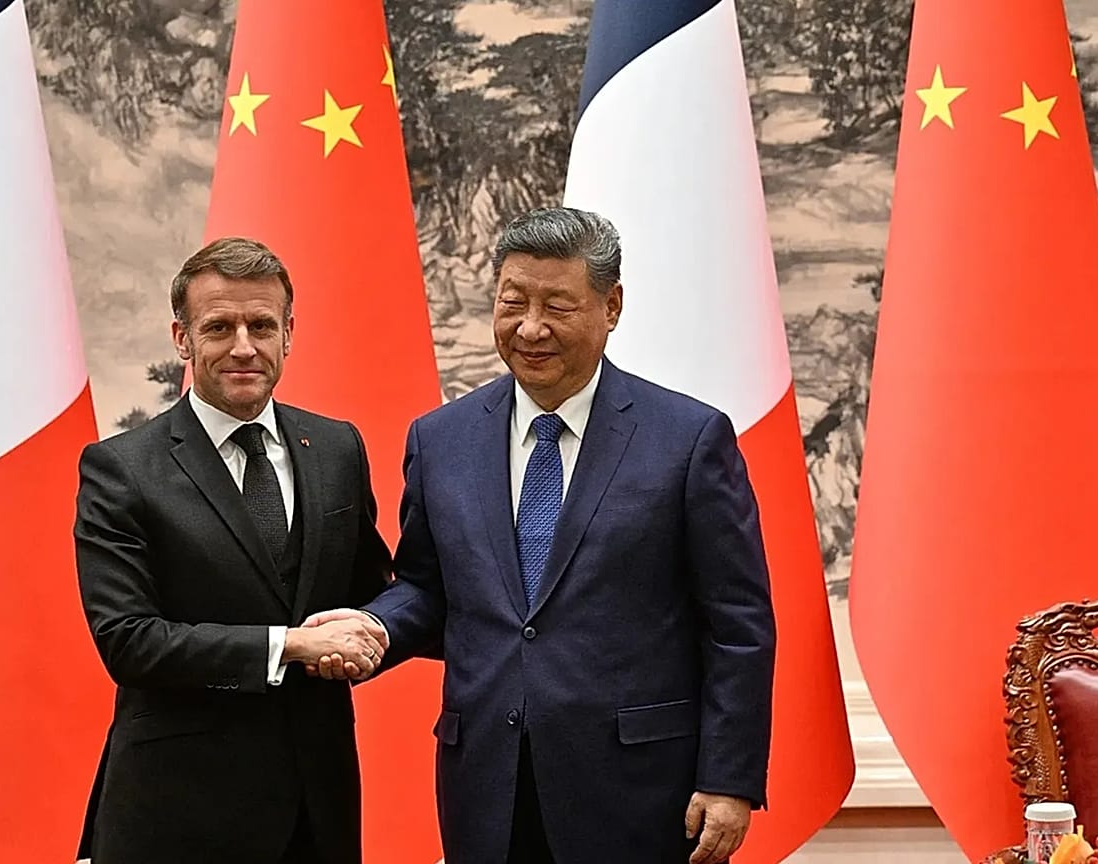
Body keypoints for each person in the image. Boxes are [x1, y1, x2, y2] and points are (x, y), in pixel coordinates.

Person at [310, 208, 776, 864]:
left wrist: (728, 779)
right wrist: (374, 627)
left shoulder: (688, 440)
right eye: (512, 302)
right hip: (488, 788)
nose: (531, 328)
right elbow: (427, 587)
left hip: (641, 792)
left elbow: (737, 624)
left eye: (558, 305)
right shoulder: (440, 440)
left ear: (610, 307)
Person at [74, 237, 392, 864]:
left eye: (262, 325)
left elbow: (371, 591)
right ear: (182, 338)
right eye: (219, 326)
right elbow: (129, 640)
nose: (244, 346)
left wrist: (379, 627)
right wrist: (291, 644)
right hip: (177, 816)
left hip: (318, 811)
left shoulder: (336, 449)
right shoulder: (121, 469)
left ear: (289, 333)